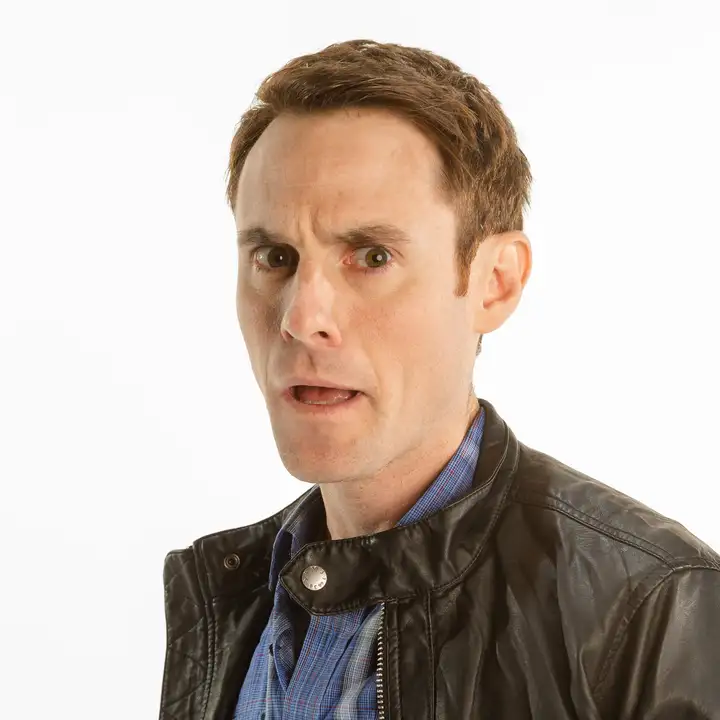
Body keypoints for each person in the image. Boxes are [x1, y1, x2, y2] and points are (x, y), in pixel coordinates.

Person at [158, 39, 720, 720]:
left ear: (495, 283)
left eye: (372, 256)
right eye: (275, 256)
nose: (302, 319)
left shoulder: (650, 607)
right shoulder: (234, 596)